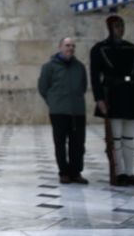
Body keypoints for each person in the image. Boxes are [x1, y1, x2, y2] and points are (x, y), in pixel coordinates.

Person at [90, 14, 134, 187]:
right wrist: (99, 99)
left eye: (122, 26)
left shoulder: (132, 48)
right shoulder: (99, 49)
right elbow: (95, 77)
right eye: (117, 26)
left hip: (132, 95)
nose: (120, 29)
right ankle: (119, 172)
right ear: (110, 28)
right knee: (115, 139)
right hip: (113, 96)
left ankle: (130, 172)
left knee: (129, 138)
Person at [37, 37, 88, 185]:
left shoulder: (79, 67)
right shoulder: (49, 67)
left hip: (77, 111)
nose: (70, 48)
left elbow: (83, 86)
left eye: (72, 46)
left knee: (78, 143)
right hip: (59, 112)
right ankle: (64, 172)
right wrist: (53, 102)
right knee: (60, 143)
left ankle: (76, 172)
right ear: (60, 47)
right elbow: (43, 87)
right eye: (67, 45)